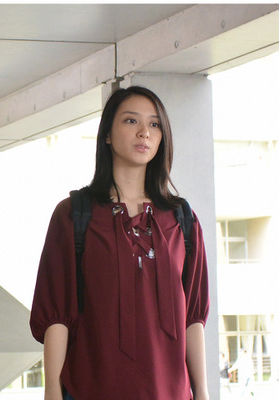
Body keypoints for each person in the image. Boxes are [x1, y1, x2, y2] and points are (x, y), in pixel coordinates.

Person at [30, 86, 210, 400]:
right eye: (131, 121)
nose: (144, 132)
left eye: (154, 124)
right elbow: (58, 314)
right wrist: (51, 393)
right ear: (107, 135)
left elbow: (192, 318)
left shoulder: (183, 219)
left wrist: (203, 393)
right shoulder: (74, 215)